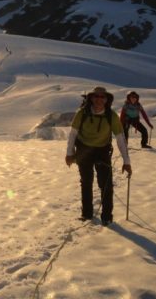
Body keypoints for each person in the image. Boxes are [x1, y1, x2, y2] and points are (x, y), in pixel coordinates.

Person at [65, 86, 131, 225]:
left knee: (106, 185)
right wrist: (69, 153)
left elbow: (120, 138)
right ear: (91, 98)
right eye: (96, 96)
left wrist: (127, 161)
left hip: (102, 151)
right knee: (86, 182)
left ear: (107, 99)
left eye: (102, 97)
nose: (99, 99)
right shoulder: (82, 113)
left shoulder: (111, 115)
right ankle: (86, 214)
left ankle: (107, 217)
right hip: (84, 149)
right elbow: (73, 134)